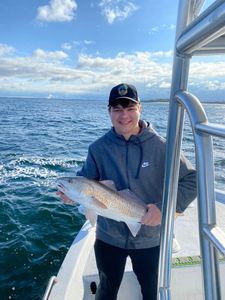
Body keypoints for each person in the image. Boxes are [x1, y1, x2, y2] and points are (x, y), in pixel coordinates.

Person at [57, 83, 197, 300]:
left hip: (151, 238)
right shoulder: (98, 148)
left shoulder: (162, 147)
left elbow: (192, 179)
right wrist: (71, 195)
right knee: (106, 291)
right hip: (108, 238)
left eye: (130, 108)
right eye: (117, 109)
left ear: (140, 108)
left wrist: (164, 209)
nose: (124, 116)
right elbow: (86, 182)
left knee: (151, 292)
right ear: (109, 111)